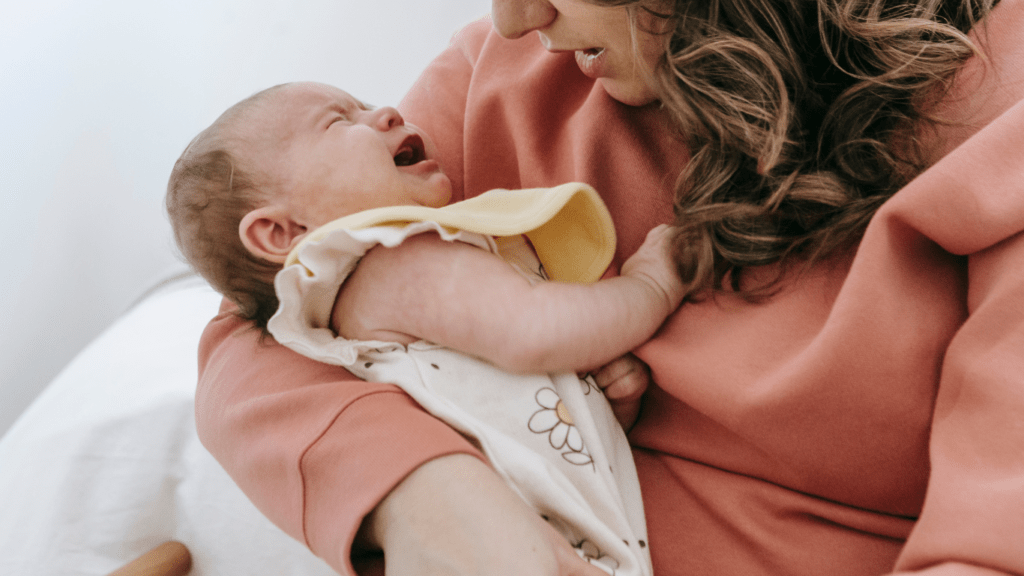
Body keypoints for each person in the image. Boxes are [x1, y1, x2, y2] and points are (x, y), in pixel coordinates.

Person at [194, 0, 1024, 575]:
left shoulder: (999, 106)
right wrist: (424, 493)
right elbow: (263, 318)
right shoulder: (506, 73)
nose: (514, 19)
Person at [168, 81, 685, 575]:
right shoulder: (392, 261)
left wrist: (596, 404)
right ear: (282, 231)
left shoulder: (381, 292)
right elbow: (535, 332)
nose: (387, 112)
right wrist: (650, 288)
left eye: (365, 103)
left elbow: (498, 407)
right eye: (337, 122)